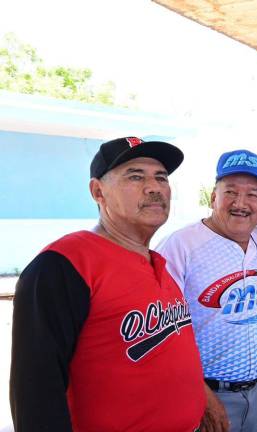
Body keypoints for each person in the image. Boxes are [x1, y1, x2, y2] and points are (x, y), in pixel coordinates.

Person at [10, 136, 207, 431]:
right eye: (135, 176)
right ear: (97, 191)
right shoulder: (64, 263)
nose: (154, 187)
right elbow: (36, 390)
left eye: (161, 177)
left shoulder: (157, 262)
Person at [156, 149, 257, 432]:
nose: (241, 203)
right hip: (205, 394)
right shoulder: (181, 245)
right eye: (230, 192)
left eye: (253, 194)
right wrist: (201, 392)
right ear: (213, 197)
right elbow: (160, 333)